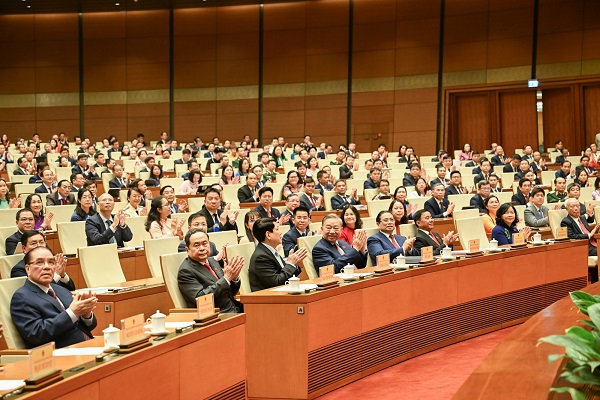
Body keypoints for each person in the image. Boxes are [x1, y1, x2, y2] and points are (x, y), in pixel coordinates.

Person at [10, 246, 97, 348]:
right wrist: (72, 313)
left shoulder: (61, 290)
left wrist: (86, 314)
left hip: (87, 345)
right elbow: (36, 334)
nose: (47, 267)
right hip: (60, 352)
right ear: (28, 269)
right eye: (39, 262)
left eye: (51, 262)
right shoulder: (22, 297)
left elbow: (88, 326)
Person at [177, 229, 244, 312]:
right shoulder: (186, 271)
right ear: (187, 249)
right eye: (196, 245)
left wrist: (234, 279)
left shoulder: (213, 261)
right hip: (217, 314)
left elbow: (229, 293)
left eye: (204, 244)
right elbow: (201, 298)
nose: (202, 248)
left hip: (234, 308)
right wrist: (226, 279)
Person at [248, 218, 308, 292]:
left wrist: (294, 264)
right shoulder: (261, 257)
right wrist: (291, 264)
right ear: (268, 235)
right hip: (268, 297)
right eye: (277, 229)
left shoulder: (270, 251)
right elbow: (276, 282)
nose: (280, 232)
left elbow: (285, 276)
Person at [10, 230, 75, 291]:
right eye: (33, 243)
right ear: (24, 248)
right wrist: (57, 275)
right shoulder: (19, 269)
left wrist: (62, 275)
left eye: (41, 242)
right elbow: (34, 292)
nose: (39, 246)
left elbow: (71, 289)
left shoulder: (52, 263)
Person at [561, 198, 599, 282]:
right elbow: (571, 236)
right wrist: (589, 235)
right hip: (584, 247)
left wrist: (590, 213)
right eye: (572, 206)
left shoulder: (581, 218)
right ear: (567, 209)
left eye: (577, 206)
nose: (576, 208)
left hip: (594, 244)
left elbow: (590, 218)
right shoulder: (566, 221)